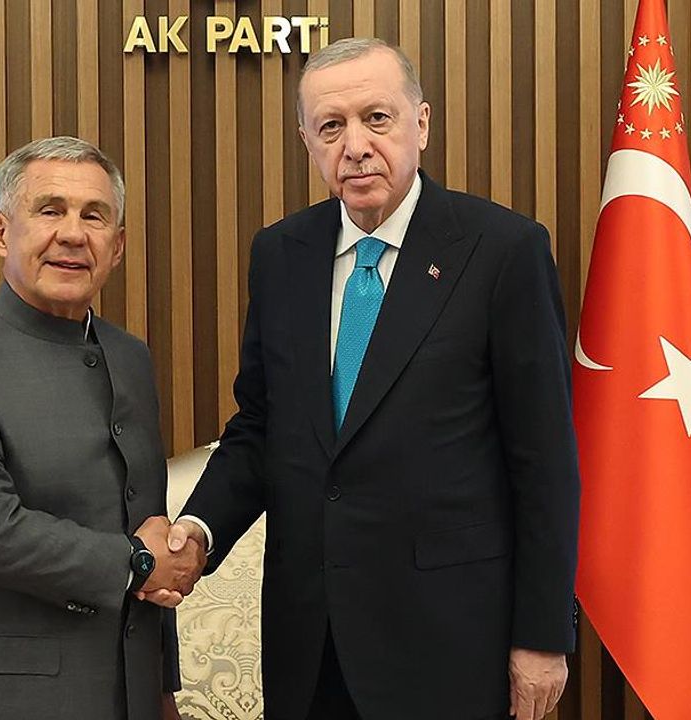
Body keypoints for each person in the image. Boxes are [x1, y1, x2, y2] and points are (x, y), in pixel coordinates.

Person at [168, 39, 581, 720]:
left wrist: (542, 636)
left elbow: (545, 460)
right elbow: (262, 427)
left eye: (377, 119)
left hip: (449, 644)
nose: (355, 146)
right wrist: (199, 530)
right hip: (310, 645)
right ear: (307, 141)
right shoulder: (281, 254)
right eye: (331, 126)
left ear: (421, 123)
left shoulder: (503, 250)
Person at [0, 136, 201, 720]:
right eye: (50, 210)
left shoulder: (129, 358)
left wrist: (161, 688)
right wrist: (134, 561)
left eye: (94, 216)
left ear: (117, 246)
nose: (73, 234)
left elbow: (145, 520)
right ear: (1, 233)